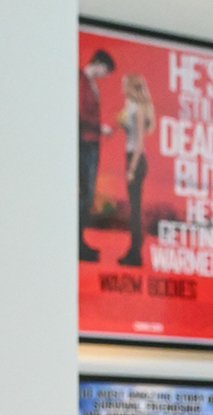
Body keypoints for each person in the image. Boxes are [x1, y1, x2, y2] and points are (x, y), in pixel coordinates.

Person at [78, 48, 114, 262]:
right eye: (105, 70)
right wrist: (101, 128)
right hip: (84, 142)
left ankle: (79, 241)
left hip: (91, 143)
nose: (104, 75)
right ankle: (76, 243)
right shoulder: (80, 80)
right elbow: (79, 114)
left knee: (88, 195)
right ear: (99, 64)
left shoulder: (89, 83)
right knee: (85, 194)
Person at [116, 73, 155, 267]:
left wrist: (131, 169)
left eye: (125, 84)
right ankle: (134, 252)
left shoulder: (138, 109)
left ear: (132, 87)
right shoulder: (132, 106)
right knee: (134, 209)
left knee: (135, 210)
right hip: (133, 158)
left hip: (136, 160)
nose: (122, 87)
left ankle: (135, 254)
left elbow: (139, 143)